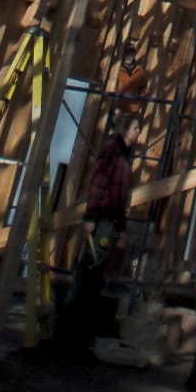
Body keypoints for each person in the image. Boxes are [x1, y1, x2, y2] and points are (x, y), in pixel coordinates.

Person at [59, 112, 141, 355]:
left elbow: (121, 197)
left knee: (95, 274)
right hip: (102, 219)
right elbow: (98, 185)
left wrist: (122, 229)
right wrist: (91, 217)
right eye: (136, 128)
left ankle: (80, 334)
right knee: (89, 270)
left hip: (111, 221)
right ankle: (70, 333)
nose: (139, 132)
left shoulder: (125, 157)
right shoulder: (111, 152)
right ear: (125, 130)